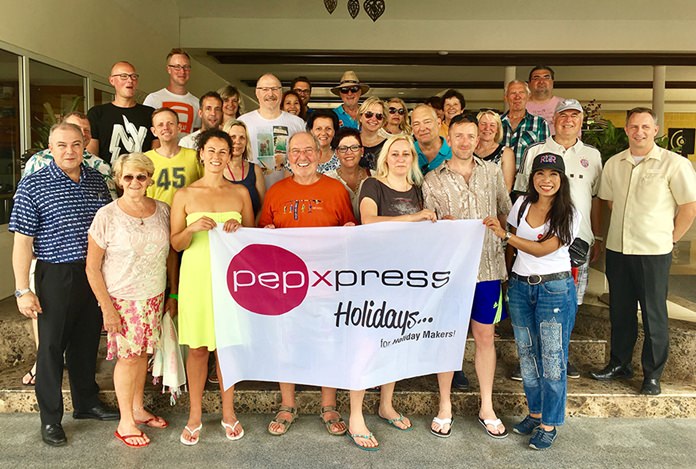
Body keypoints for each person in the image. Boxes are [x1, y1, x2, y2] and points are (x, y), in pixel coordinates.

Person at [10, 123, 118, 447]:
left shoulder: (96, 181)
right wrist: (21, 289)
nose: (69, 151)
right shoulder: (34, 185)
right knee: (52, 348)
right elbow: (22, 242)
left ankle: (87, 403)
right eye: (62, 145)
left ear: (85, 144)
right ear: (50, 148)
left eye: (75, 144)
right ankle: (50, 419)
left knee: (86, 343)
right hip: (56, 274)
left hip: (92, 274)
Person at [590, 107, 696, 395]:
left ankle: (652, 374)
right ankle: (619, 363)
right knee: (621, 311)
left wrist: (670, 238)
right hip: (619, 249)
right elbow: (609, 201)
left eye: (645, 127)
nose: (639, 132)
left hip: (653, 251)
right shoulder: (614, 163)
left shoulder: (673, 163)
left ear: (656, 130)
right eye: (634, 127)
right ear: (626, 129)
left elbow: (689, 206)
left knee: (653, 313)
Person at [258, 132, 355, 439]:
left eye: (308, 150)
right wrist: (268, 231)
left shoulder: (336, 189)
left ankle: (329, 404)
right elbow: (262, 233)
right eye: (296, 151)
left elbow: (349, 231)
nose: (302, 156)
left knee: (328, 341)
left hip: (327, 282)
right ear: (288, 156)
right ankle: (288, 405)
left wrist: (351, 231)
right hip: (287, 284)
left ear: (318, 153)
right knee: (286, 342)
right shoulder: (276, 191)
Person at [423, 114, 512, 440]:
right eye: (458, 135)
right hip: (450, 273)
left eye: (470, 135)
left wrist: (502, 237)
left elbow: (505, 210)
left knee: (485, 337)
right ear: (449, 136)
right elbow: (426, 227)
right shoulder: (433, 179)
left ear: (478, 138)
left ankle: (486, 406)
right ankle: (444, 404)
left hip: (487, 269)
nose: (464, 141)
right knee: (448, 337)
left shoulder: (491, 173)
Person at [484, 152, 580, 450]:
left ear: (561, 179)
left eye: (553, 175)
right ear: (533, 178)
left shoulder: (569, 212)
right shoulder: (522, 204)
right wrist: (507, 273)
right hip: (521, 288)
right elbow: (512, 243)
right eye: (540, 174)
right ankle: (535, 412)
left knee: (552, 359)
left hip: (554, 289)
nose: (546, 180)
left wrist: (505, 236)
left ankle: (549, 423)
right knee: (527, 355)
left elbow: (543, 249)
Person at [351, 135, 436, 450]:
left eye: (406, 153)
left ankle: (386, 404)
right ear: (386, 157)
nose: (401, 158)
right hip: (374, 275)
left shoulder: (417, 190)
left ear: (412, 158)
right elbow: (368, 221)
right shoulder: (372, 186)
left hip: (405, 277)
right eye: (395, 153)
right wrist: (414, 218)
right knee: (366, 343)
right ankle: (356, 415)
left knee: (394, 342)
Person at [171, 129, 255, 445]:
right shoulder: (185, 195)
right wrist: (191, 227)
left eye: (224, 151)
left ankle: (229, 412)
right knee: (197, 348)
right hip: (196, 277)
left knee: (227, 347)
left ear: (229, 155)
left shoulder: (240, 194)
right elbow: (176, 244)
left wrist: (240, 228)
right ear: (201, 154)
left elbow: (253, 241)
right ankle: (194, 415)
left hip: (232, 279)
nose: (217, 157)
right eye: (212, 150)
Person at [86, 153, 175, 448]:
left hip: (153, 295)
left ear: (149, 179)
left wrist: (171, 292)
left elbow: (171, 254)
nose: (135, 182)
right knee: (129, 357)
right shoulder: (107, 215)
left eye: (141, 176)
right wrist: (107, 308)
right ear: (118, 180)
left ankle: (137, 408)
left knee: (143, 353)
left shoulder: (163, 209)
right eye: (128, 177)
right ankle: (125, 421)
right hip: (122, 298)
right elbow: (92, 266)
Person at [238, 73, 305, 189]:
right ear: (257, 93)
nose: (270, 94)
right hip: (252, 189)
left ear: (281, 92)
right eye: (265, 89)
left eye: (274, 89)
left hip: (289, 190)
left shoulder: (297, 123)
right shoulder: (243, 122)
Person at [87, 61, 155, 163]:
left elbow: (156, 154)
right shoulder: (97, 113)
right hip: (107, 177)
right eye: (124, 76)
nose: (130, 80)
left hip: (141, 177)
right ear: (112, 80)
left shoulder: (150, 114)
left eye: (134, 76)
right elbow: (92, 156)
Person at [145, 107, 202, 206]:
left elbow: (207, 187)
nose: (165, 128)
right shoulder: (145, 159)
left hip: (188, 217)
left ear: (179, 128)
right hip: (155, 217)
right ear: (154, 131)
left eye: (170, 123)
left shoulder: (194, 156)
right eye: (160, 125)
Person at [143, 48, 200, 135]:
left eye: (186, 67)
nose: (182, 71)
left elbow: (196, 135)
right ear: (168, 69)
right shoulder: (153, 99)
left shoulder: (197, 103)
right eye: (177, 67)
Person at [501, 80, 550, 168]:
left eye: (521, 92)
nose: (517, 97)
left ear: (528, 96)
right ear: (506, 97)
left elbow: (544, 156)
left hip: (525, 179)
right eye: (513, 93)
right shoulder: (496, 123)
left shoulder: (540, 123)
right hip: (498, 178)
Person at [222, 119, 266, 216]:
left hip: (253, 229)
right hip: (225, 229)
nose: (237, 141)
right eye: (232, 137)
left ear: (246, 142)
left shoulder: (255, 170)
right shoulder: (216, 170)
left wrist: (253, 227)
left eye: (242, 137)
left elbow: (263, 207)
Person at [325, 127, 370, 218]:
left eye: (354, 147)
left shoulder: (375, 177)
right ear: (337, 153)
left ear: (362, 151)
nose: (349, 152)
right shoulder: (327, 179)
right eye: (343, 148)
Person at [475, 110, 516, 193]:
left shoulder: (506, 153)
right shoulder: (468, 150)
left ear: (497, 129)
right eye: (483, 124)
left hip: (494, 203)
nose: (487, 128)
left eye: (492, 125)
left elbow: (507, 188)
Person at [411, 104, 452, 175]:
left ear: (438, 123)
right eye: (416, 124)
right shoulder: (407, 153)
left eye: (427, 122)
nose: (422, 128)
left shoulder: (454, 153)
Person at [526, 66, 565, 134]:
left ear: (552, 82)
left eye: (546, 77)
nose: (541, 81)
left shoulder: (564, 105)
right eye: (536, 78)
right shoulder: (521, 105)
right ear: (529, 84)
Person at [358, 97, 387, 171]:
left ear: (383, 121)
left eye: (379, 116)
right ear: (360, 117)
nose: (374, 119)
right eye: (369, 114)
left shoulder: (388, 145)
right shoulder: (350, 142)